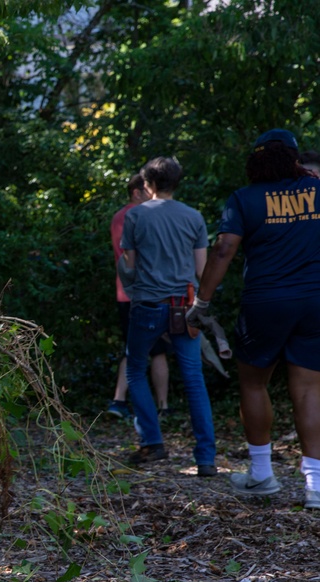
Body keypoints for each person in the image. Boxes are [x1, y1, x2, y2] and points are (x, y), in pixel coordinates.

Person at [187, 128, 320, 509]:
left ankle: (262, 475)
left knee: (253, 383)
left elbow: (225, 248)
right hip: (315, 300)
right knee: (310, 388)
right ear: (294, 159)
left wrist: (203, 302)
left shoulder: (244, 198)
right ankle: (315, 486)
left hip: (265, 302)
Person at [118, 157, 217, 476]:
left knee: (135, 368)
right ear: (176, 182)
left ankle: (152, 442)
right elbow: (203, 271)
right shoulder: (194, 217)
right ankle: (205, 458)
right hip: (185, 307)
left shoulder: (135, 217)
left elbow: (129, 268)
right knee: (193, 379)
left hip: (147, 304)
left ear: (148, 184)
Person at [107, 173, 170, 420]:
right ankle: (160, 406)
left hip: (127, 293)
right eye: (148, 190)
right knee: (157, 351)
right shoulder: (134, 216)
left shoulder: (119, 217)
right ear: (137, 192)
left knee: (136, 349)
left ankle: (120, 400)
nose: (152, 195)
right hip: (143, 293)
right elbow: (136, 256)